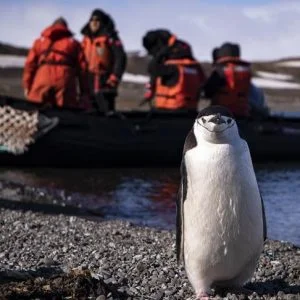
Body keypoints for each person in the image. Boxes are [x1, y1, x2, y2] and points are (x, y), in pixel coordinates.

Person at [23, 17, 89, 109]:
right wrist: (84, 92)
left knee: (35, 109)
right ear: (66, 28)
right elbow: (82, 69)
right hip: (65, 78)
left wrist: (27, 85)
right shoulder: (74, 43)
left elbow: (30, 65)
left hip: (43, 77)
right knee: (65, 112)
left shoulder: (39, 42)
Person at [142, 29, 206, 111]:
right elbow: (204, 84)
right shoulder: (195, 67)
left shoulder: (172, 68)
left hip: (169, 112)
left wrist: (160, 54)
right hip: (190, 113)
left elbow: (152, 68)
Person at [81, 9, 127, 112]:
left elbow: (120, 58)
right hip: (88, 79)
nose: (94, 22)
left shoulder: (111, 38)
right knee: (89, 111)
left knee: (106, 111)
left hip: (105, 80)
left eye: (97, 20)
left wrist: (115, 77)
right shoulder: (85, 40)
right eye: (91, 20)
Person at [202, 42, 252, 117]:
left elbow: (208, 92)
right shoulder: (246, 70)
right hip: (241, 113)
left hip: (221, 115)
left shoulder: (220, 70)